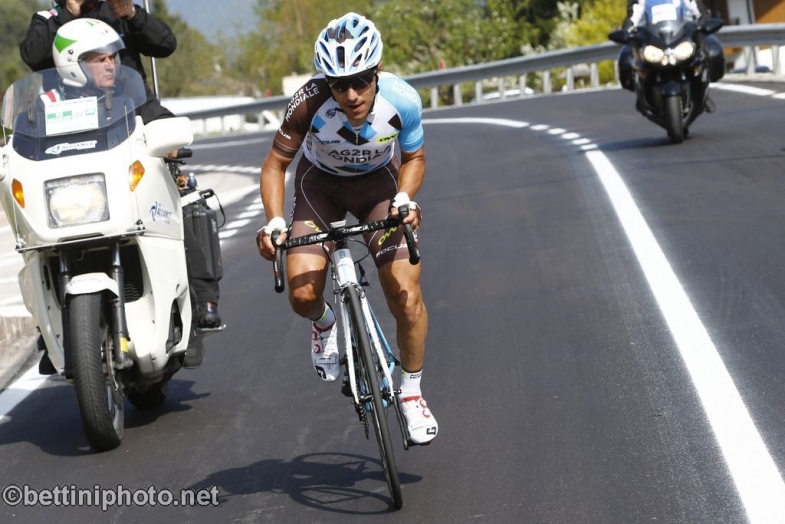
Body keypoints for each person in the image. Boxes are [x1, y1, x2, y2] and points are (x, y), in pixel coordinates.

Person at [255, 12, 438, 445]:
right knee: (302, 295)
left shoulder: (402, 99)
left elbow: (414, 158)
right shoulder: (306, 101)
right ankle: (325, 323)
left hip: (379, 187)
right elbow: (275, 164)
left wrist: (405, 200)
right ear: (327, 82)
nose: (352, 94)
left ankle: (411, 392)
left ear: (377, 71)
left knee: (407, 298)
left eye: (361, 80)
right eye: (339, 84)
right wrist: (275, 222)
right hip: (320, 187)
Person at [21, 2, 221, 331]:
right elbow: (32, 58)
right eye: (100, 59)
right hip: (74, 183)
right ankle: (50, 329)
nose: (111, 64)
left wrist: (170, 142)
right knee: (34, 236)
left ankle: (203, 298)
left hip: (130, 150)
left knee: (176, 203)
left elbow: (165, 47)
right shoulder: (48, 99)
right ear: (73, 63)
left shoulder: (129, 82)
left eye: (113, 56)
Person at [618, 0, 723, 113]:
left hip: (681, 36)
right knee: (627, 57)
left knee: (711, 49)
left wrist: (702, 26)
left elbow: (699, 12)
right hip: (654, 38)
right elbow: (633, 16)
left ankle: (701, 92)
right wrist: (627, 31)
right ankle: (642, 93)